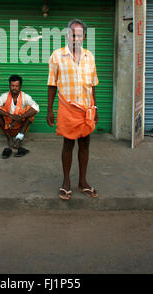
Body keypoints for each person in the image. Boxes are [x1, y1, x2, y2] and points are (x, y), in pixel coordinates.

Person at [47, 19, 99, 200]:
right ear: (67, 36)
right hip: (67, 108)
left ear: (84, 37)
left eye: (79, 35)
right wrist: (50, 110)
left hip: (86, 109)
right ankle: (66, 182)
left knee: (85, 145)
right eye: (72, 34)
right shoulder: (56, 56)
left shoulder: (89, 57)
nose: (76, 38)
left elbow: (93, 85)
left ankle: (83, 182)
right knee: (68, 144)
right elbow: (52, 85)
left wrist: (95, 107)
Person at [0, 75, 39, 158]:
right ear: (9, 86)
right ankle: (9, 138)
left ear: (20, 87)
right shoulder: (4, 96)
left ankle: (19, 139)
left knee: (30, 112)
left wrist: (20, 117)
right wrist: (10, 116)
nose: (14, 88)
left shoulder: (25, 97)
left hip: (20, 127)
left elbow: (36, 107)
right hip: (8, 126)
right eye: (12, 86)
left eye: (17, 86)